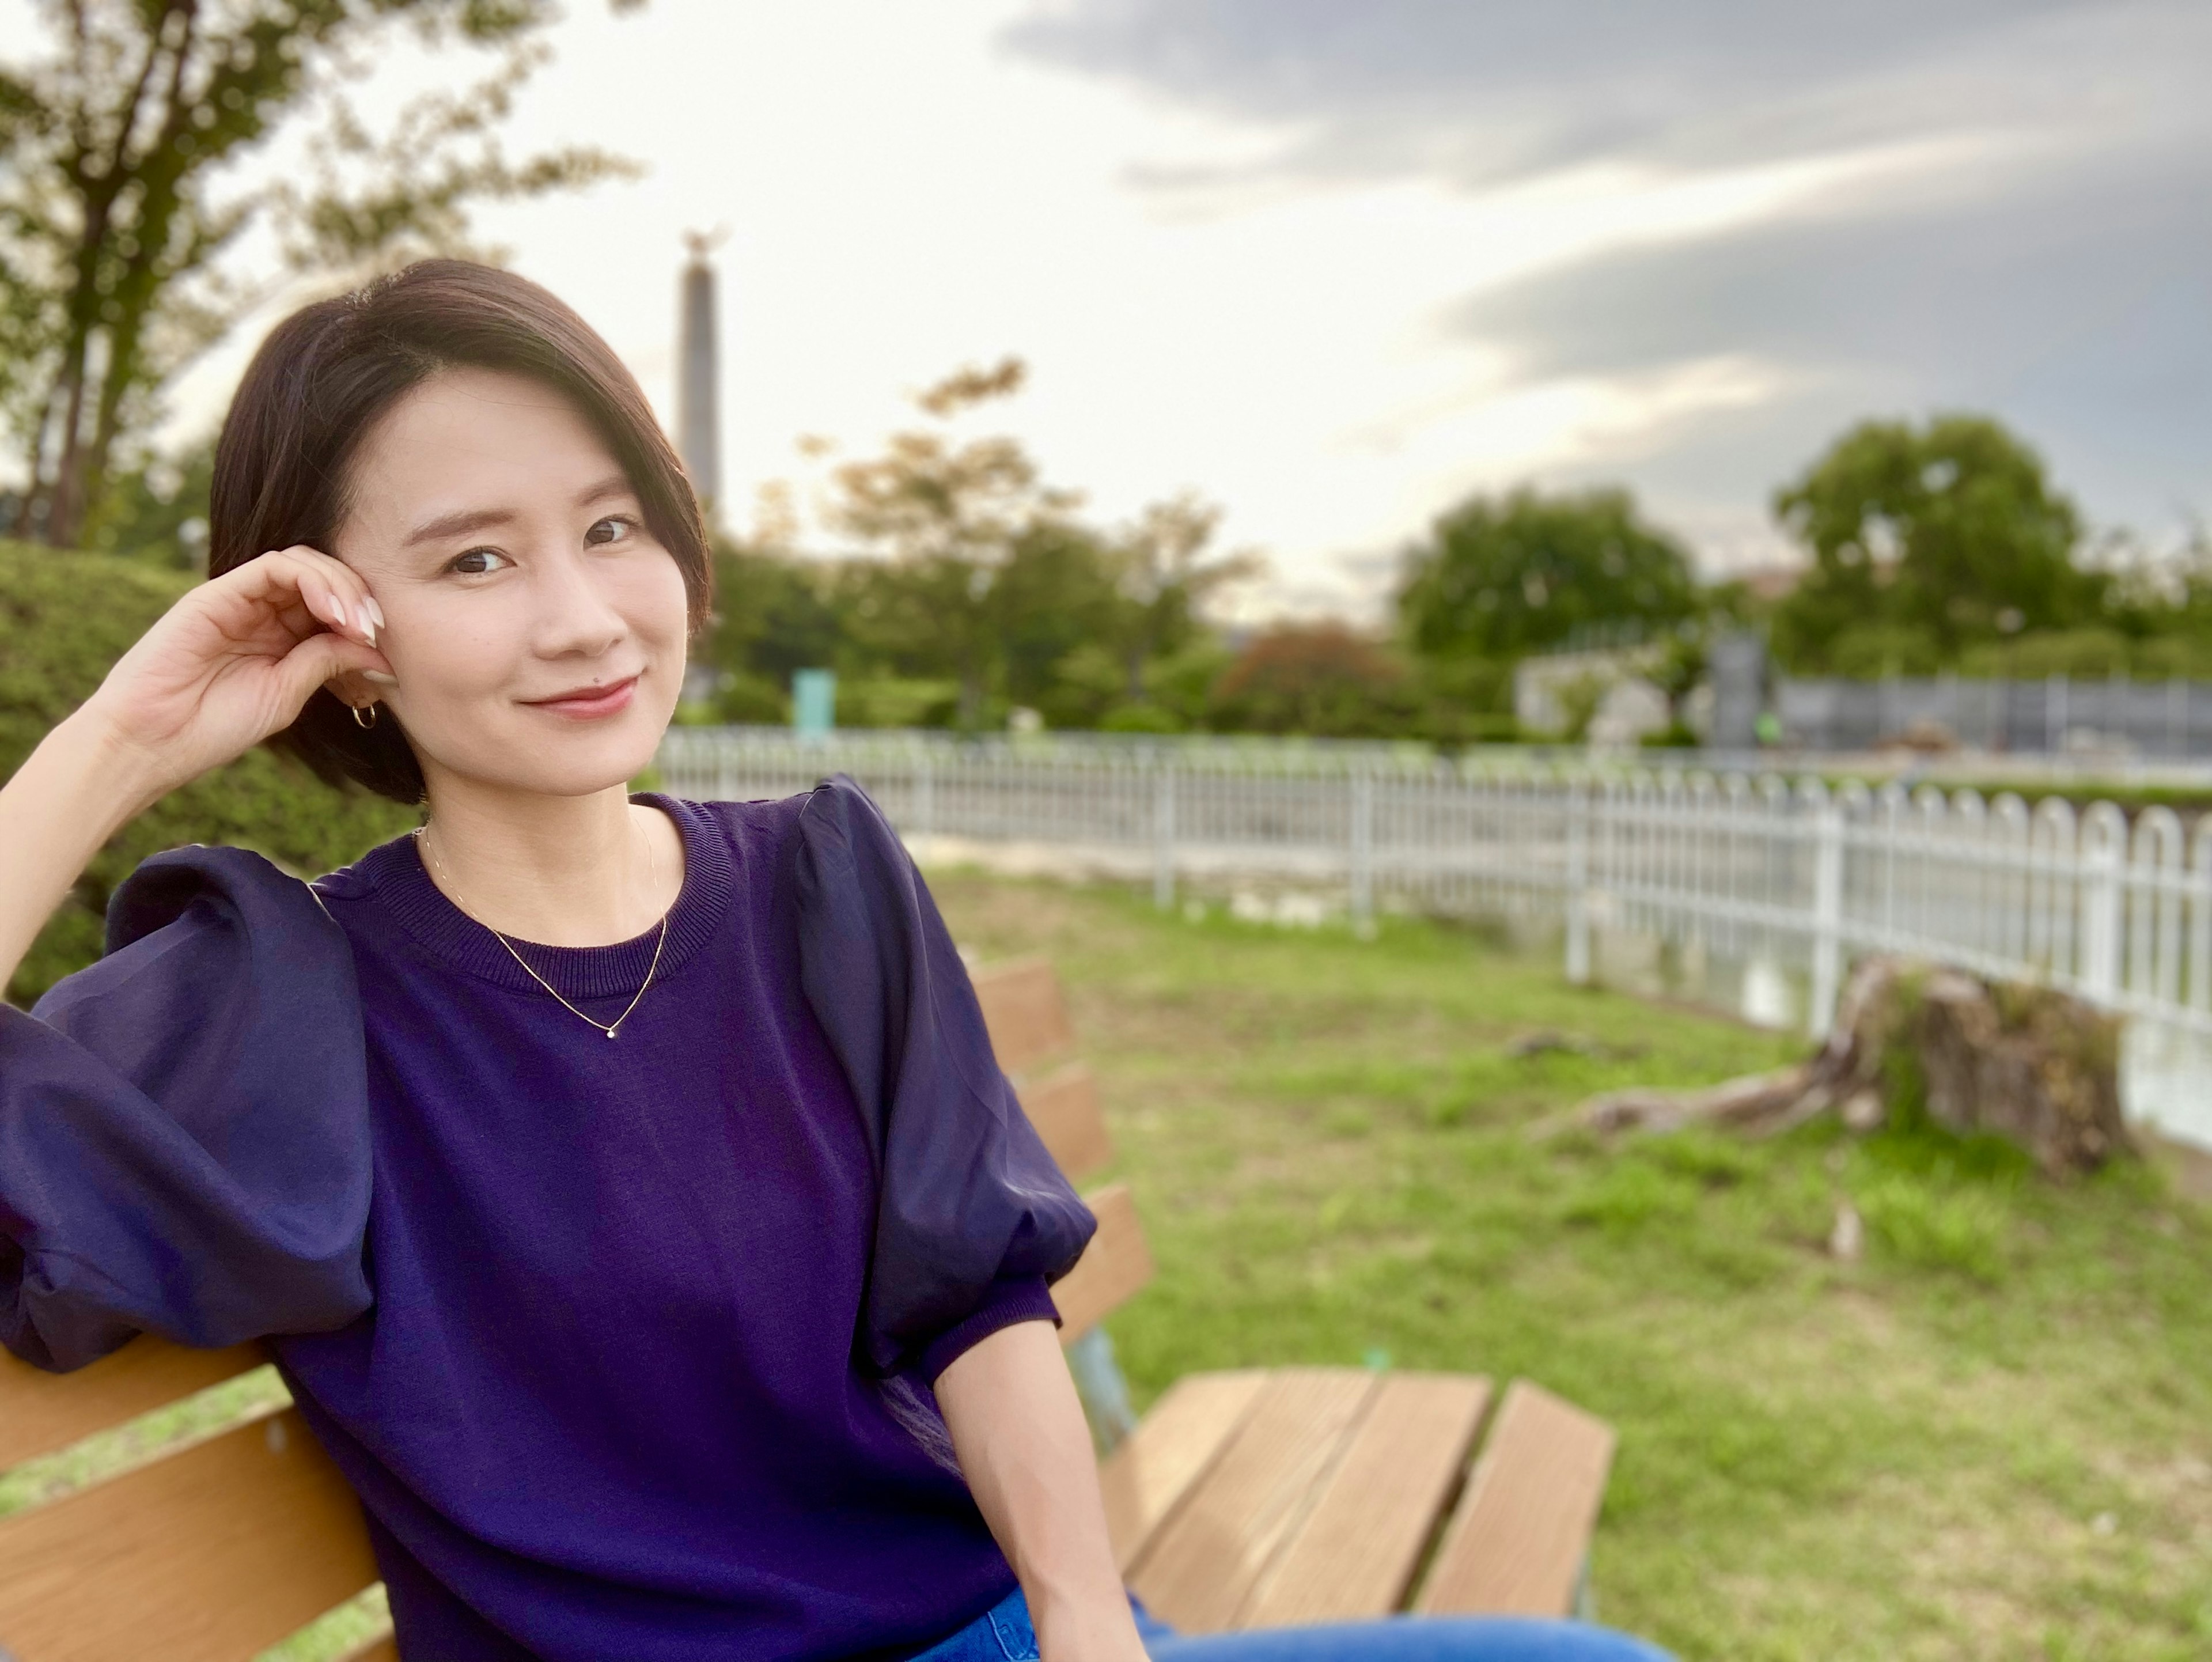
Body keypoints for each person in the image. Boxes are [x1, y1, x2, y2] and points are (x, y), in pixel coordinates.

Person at [0, 260, 1672, 1662]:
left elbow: (976, 1284)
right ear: (337, 641)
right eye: (476, 561)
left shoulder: (821, 877)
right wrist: (118, 741)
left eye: (613, 526)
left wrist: (1091, 1631)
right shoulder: (282, 998)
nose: (585, 617)